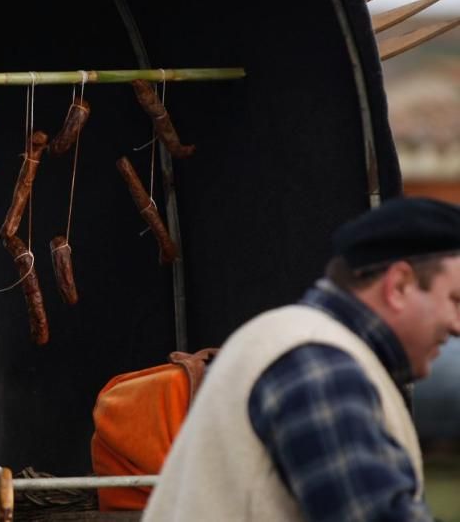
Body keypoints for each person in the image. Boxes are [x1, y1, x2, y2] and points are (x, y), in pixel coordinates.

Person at [143, 197, 460, 522]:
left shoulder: (309, 347)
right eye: (454, 299)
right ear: (400, 286)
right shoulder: (320, 364)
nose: (457, 325)